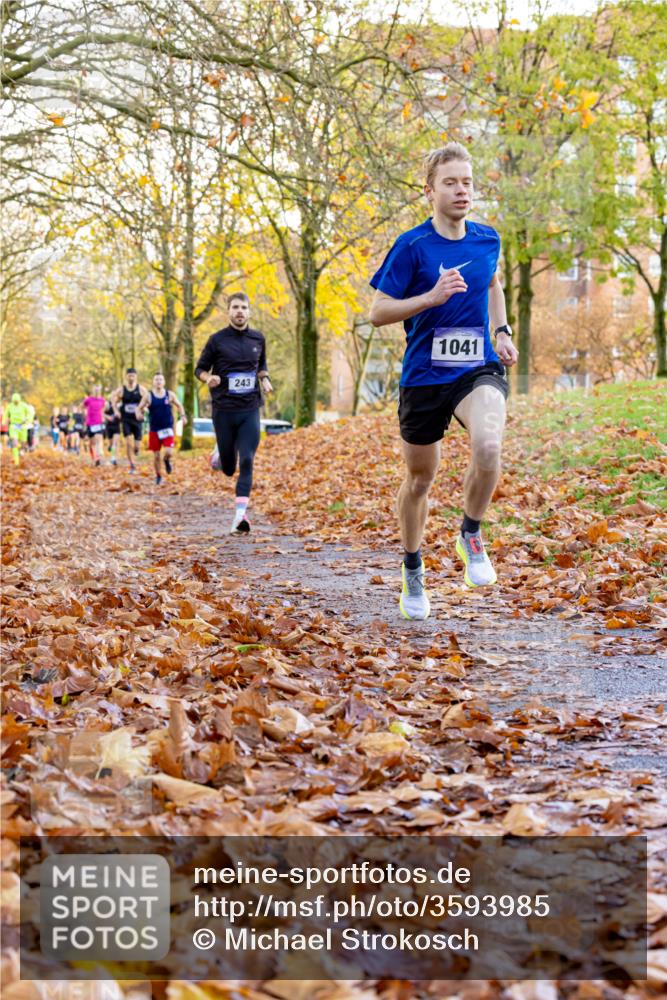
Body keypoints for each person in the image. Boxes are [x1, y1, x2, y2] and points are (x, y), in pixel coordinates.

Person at [369, 142, 519, 620]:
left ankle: (470, 533)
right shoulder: (413, 246)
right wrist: (429, 298)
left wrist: (502, 331)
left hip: (476, 368)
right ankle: (413, 569)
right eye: (451, 182)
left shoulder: (487, 239)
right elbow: (377, 313)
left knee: (489, 447)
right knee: (419, 479)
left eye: (468, 182)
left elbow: (493, 283)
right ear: (430, 190)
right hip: (424, 377)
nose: (461, 190)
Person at [195, 292, 273, 534]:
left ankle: (240, 516)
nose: (240, 311)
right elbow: (199, 369)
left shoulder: (258, 339)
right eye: (235, 307)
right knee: (229, 468)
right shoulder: (216, 340)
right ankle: (220, 452)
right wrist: (209, 378)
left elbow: (260, 365)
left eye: (244, 307)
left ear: (249, 311)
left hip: (250, 408)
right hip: (224, 410)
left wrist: (265, 379)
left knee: (247, 459)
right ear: (228, 311)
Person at [136, 373, 187, 485]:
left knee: (168, 451)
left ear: (163, 382)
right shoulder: (148, 396)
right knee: (156, 455)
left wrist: (183, 416)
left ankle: (167, 460)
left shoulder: (170, 395)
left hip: (167, 428)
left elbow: (179, 406)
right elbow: (138, 408)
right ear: (153, 382)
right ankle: (158, 475)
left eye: (160, 379)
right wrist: (138, 415)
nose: (158, 381)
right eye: (156, 379)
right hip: (154, 429)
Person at [110, 368, 149, 473]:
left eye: (133, 375)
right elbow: (113, 400)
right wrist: (116, 411)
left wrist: (144, 408)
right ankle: (132, 465)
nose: (131, 377)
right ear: (126, 377)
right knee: (128, 442)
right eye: (129, 375)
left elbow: (148, 400)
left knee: (136, 445)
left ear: (136, 377)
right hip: (126, 419)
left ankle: (136, 449)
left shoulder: (141, 389)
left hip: (137, 419)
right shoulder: (122, 390)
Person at [81, 386, 106, 466]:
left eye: (98, 391)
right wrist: (85, 413)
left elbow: (104, 408)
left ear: (100, 392)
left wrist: (102, 415)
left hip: (98, 422)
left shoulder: (102, 400)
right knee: (92, 443)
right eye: (95, 390)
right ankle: (93, 457)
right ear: (92, 391)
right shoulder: (88, 399)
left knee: (98, 438)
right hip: (90, 423)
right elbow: (82, 406)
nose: (96, 392)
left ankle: (98, 457)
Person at [6, 392, 32, 466]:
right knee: (14, 443)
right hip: (13, 426)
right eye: (14, 401)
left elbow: (30, 414)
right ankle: (16, 462)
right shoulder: (9, 406)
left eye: (17, 401)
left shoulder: (24, 406)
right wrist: (4, 422)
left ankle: (23, 449)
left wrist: (28, 419)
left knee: (23, 443)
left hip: (23, 426)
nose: (15, 403)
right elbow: (5, 414)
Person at [103, 395, 121, 465]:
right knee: (111, 444)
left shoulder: (119, 405)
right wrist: (108, 417)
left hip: (117, 426)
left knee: (114, 443)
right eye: (112, 397)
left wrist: (119, 415)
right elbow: (101, 413)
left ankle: (113, 458)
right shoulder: (107, 405)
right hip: (109, 427)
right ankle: (110, 447)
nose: (114, 398)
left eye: (115, 397)